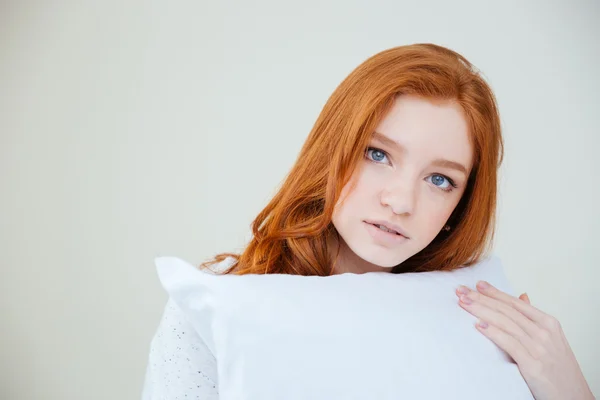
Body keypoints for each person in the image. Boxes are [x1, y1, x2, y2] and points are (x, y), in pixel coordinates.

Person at [142, 43, 594, 399]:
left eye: (440, 179)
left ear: (462, 202)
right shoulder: (219, 301)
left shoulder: (480, 318)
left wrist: (568, 388)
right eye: (377, 154)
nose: (400, 202)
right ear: (331, 150)